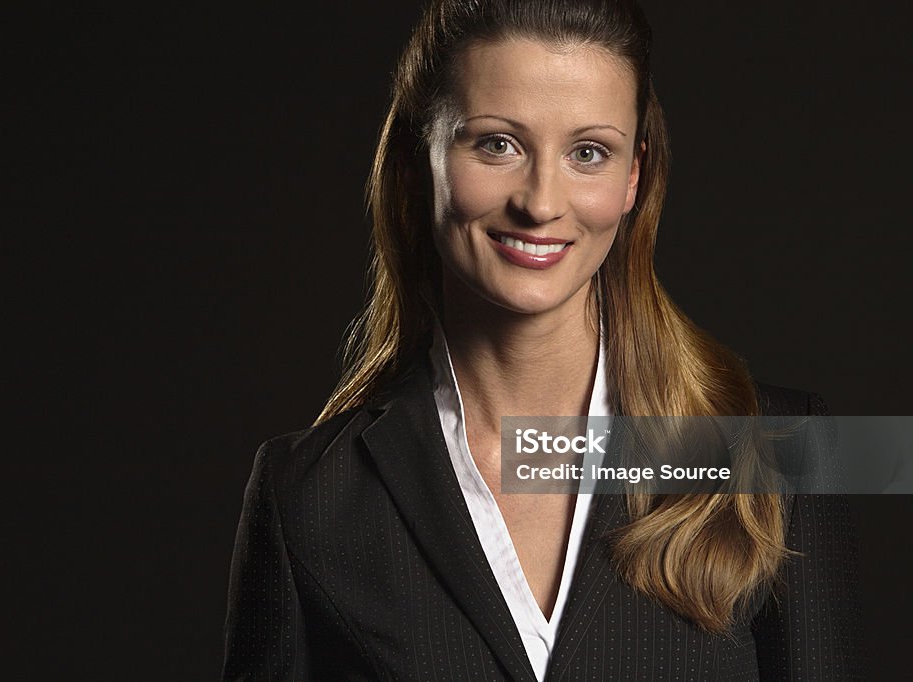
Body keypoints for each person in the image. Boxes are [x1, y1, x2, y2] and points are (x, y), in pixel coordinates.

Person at [222, 0, 861, 679]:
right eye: (498, 144)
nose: (542, 201)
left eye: (589, 152)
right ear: (420, 157)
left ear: (633, 177)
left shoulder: (780, 450)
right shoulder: (306, 494)